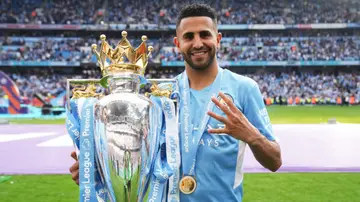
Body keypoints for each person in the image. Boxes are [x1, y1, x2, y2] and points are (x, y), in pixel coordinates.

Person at [69, 3, 282, 202]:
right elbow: (140, 156)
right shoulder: (161, 95)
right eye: (189, 37)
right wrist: (97, 166)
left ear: (218, 39)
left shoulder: (244, 88)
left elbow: (275, 161)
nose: (198, 43)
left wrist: (251, 135)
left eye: (205, 35)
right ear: (178, 44)